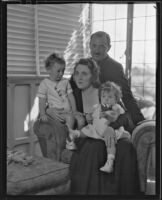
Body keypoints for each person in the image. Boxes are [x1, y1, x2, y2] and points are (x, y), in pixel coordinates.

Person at [68, 58, 140, 194]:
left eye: (84, 73)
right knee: (94, 148)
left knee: (126, 147)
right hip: (91, 133)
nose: (79, 77)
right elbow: (53, 108)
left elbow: (125, 116)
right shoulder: (73, 94)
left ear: (93, 76)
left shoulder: (106, 91)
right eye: (76, 73)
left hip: (113, 131)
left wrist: (112, 127)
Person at [70, 31, 144, 131]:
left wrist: (140, 122)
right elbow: (68, 87)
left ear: (109, 47)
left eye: (101, 46)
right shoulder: (83, 64)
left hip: (105, 114)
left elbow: (126, 96)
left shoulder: (115, 67)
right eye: (94, 45)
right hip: (83, 113)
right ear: (89, 46)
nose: (96, 50)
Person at [69, 81, 131, 173]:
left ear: (116, 99)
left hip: (108, 130)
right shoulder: (97, 107)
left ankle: (110, 161)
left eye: (110, 97)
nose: (106, 99)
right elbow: (92, 119)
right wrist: (89, 117)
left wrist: (107, 115)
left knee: (110, 136)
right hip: (96, 129)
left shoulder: (116, 107)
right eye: (103, 96)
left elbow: (114, 117)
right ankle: (74, 138)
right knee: (86, 130)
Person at [37, 52, 85, 150]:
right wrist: (42, 113)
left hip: (68, 110)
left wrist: (75, 110)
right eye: (58, 71)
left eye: (63, 71)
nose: (61, 73)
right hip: (56, 111)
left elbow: (71, 96)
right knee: (70, 118)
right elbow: (42, 100)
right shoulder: (45, 84)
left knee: (81, 120)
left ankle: (78, 140)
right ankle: (69, 140)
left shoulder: (65, 81)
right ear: (48, 70)